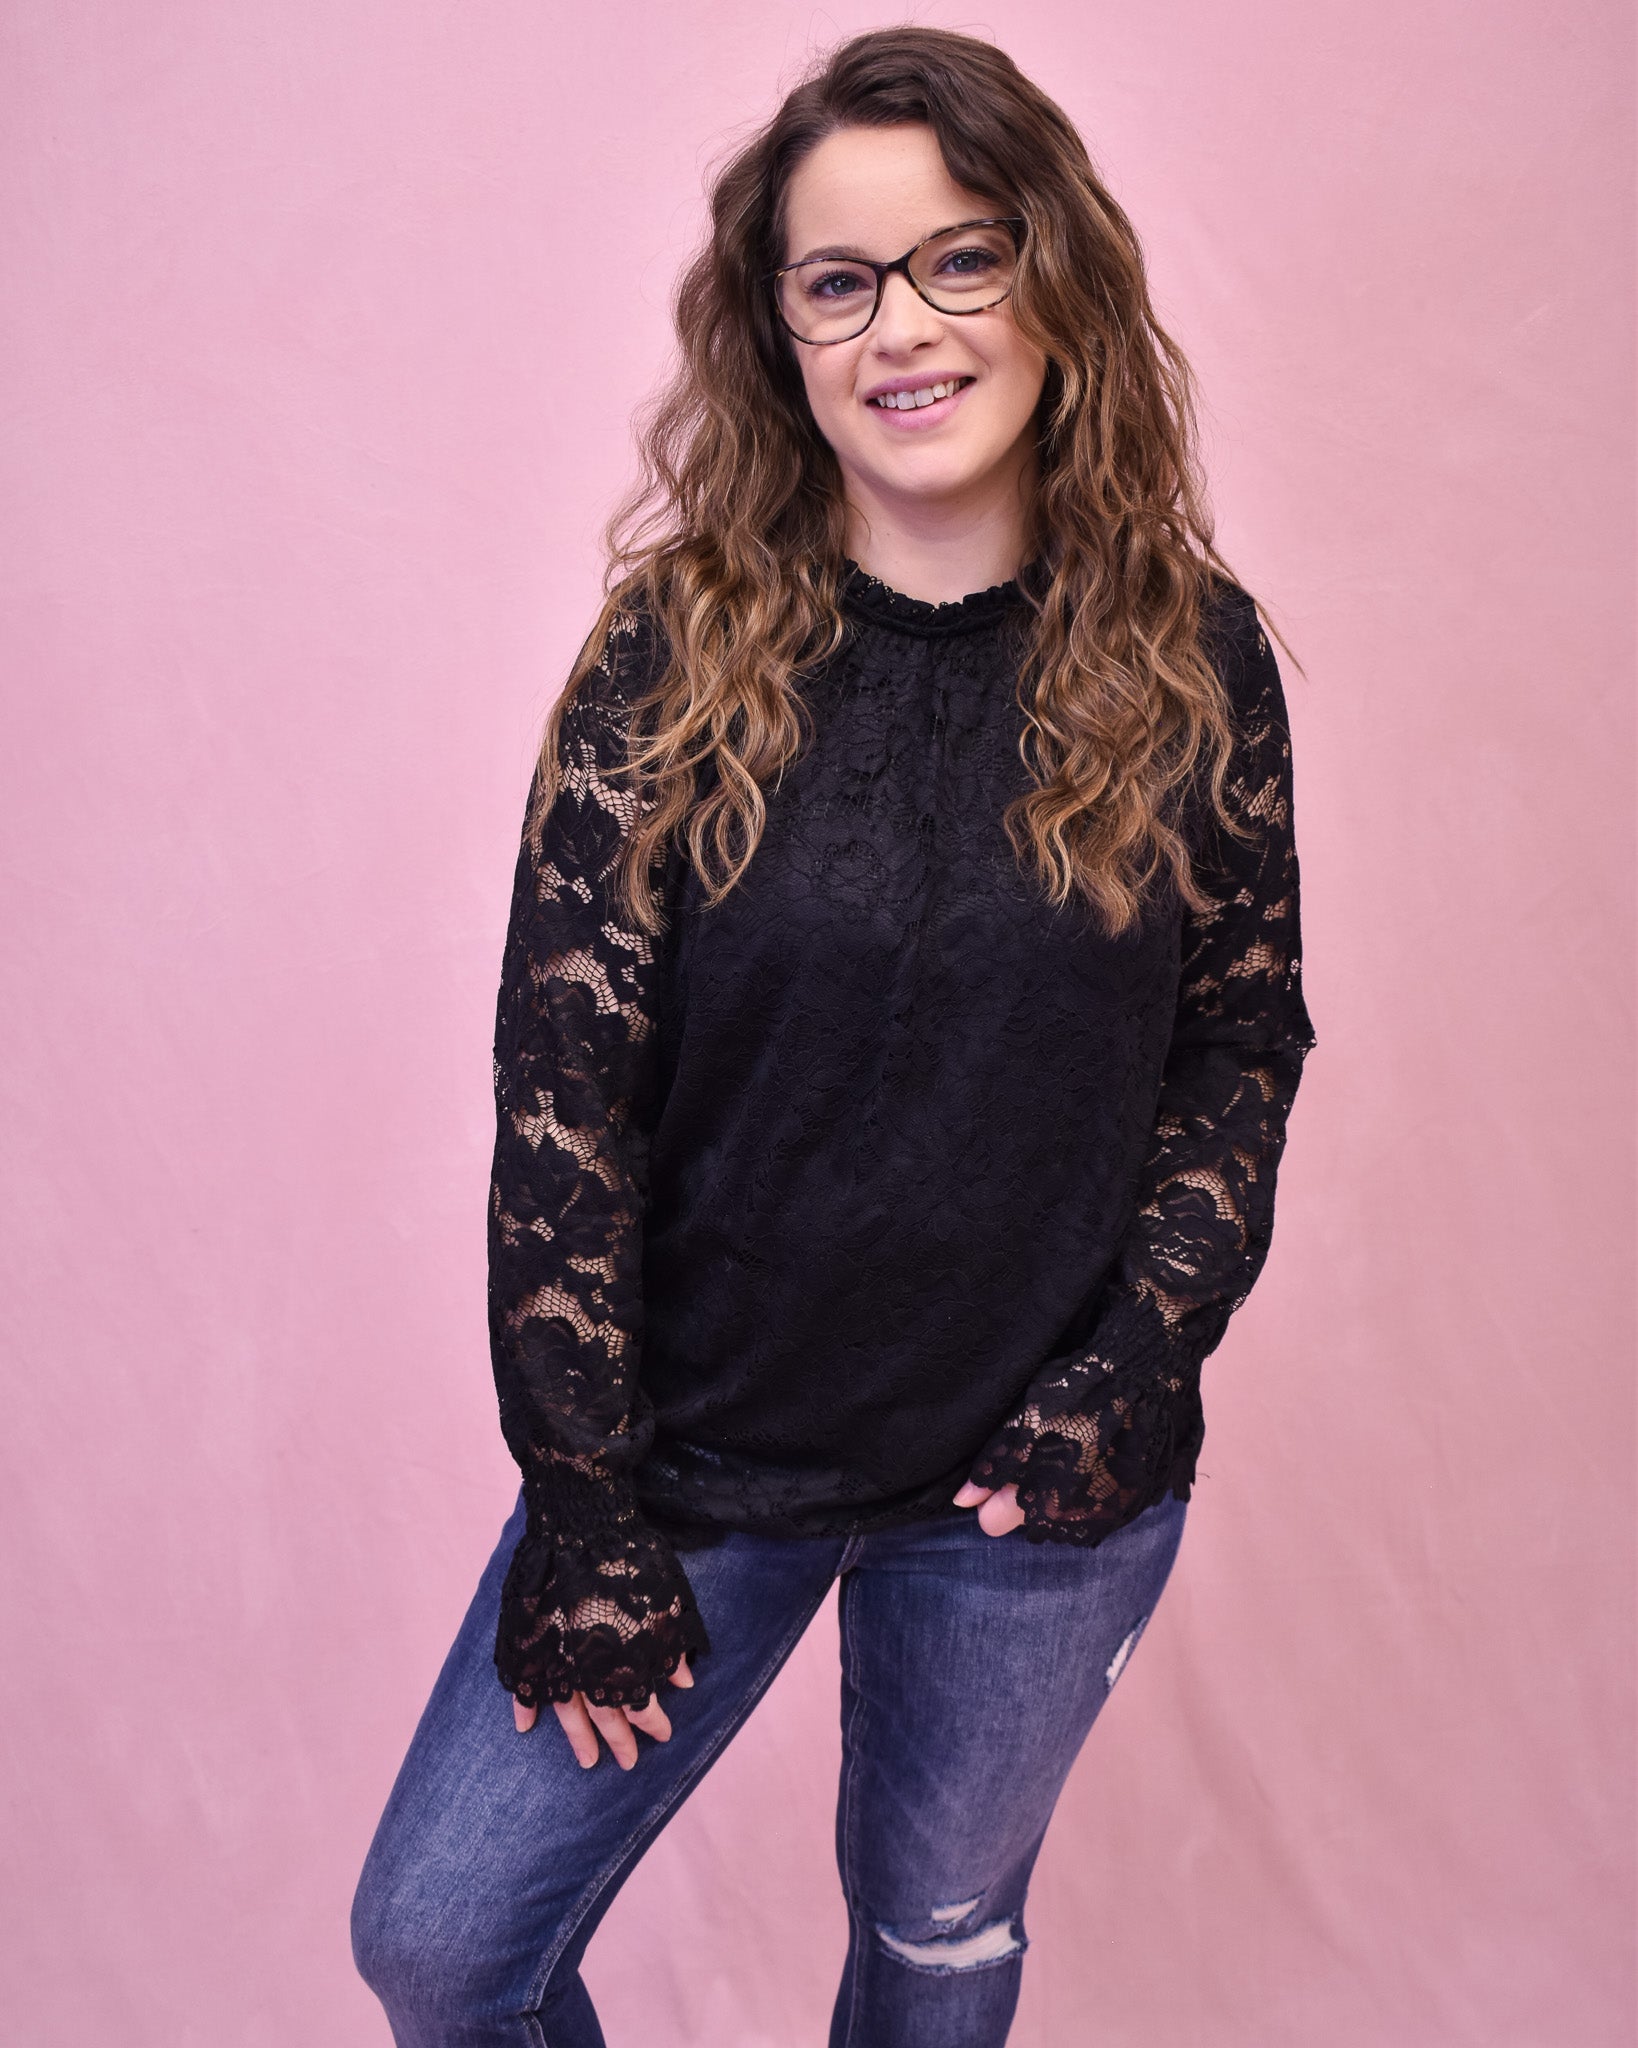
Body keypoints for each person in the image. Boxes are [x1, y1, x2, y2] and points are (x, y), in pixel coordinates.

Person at [351, 24, 1316, 2047]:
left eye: (964, 259)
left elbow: (1240, 1038)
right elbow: (567, 1106)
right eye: (841, 280)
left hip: (1035, 1496)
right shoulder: (669, 657)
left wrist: (1135, 1366)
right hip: (700, 1462)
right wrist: (589, 1504)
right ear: (778, 334)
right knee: (443, 1942)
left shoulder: (1192, 656)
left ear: (1057, 283)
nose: (908, 326)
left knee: (939, 1943)